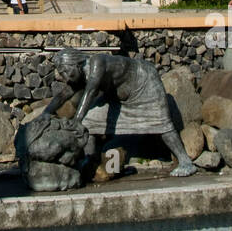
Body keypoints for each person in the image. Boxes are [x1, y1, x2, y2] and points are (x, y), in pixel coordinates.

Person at [44, 50, 197, 178]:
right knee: (89, 122)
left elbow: (90, 91)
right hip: (119, 97)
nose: (64, 77)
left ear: (76, 64)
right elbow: (63, 95)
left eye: (65, 71)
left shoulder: (96, 63)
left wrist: (76, 120)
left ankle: (185, 161)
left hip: (143, 84)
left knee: (162, 123)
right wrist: (45, 113)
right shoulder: (79, 74)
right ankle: (91, 160)